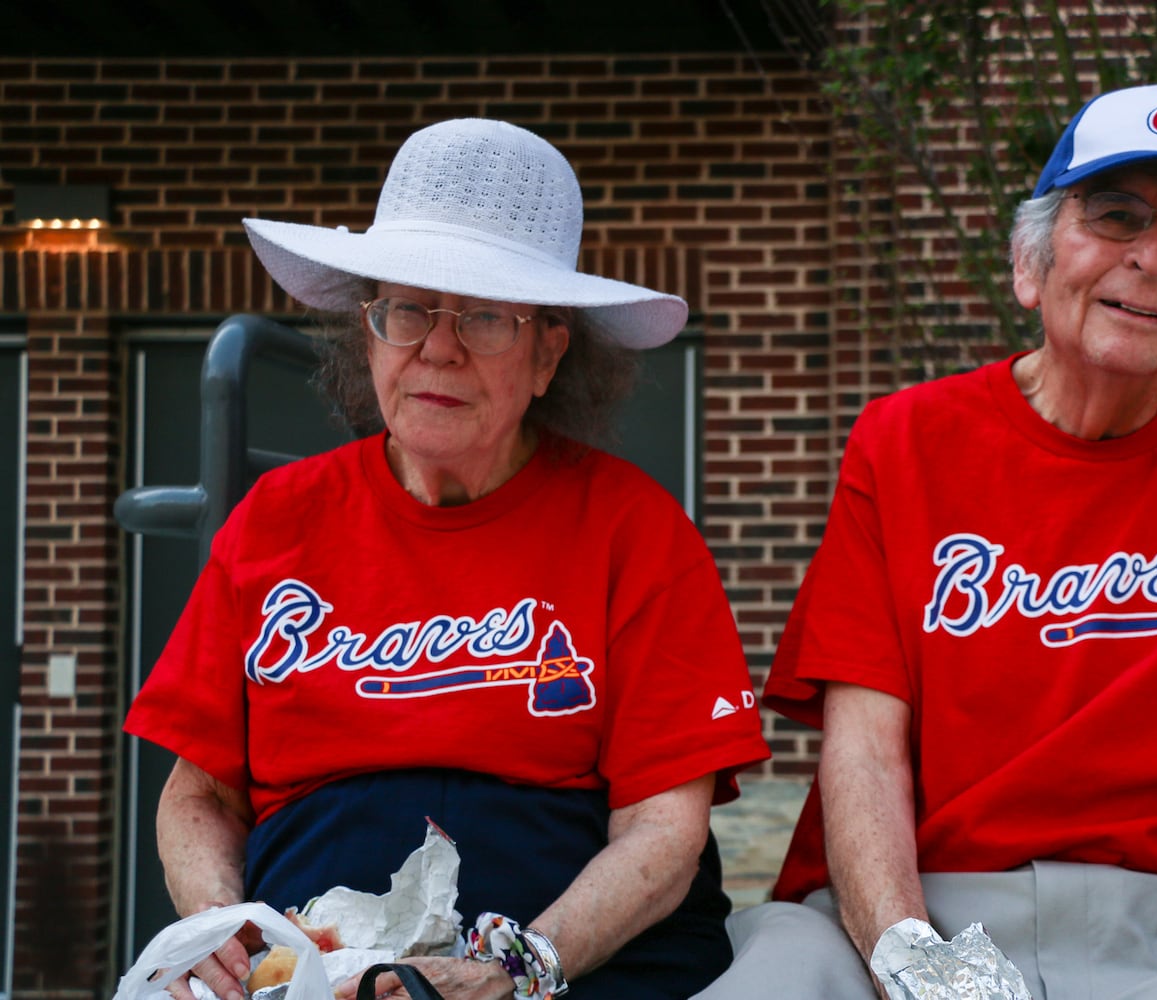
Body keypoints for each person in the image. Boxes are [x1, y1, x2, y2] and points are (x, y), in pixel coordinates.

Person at [694, 83, 1157, 1000]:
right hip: (908, 908)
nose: (1154, 257)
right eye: (1115, 214)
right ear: (1031, 263)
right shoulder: (904, 442)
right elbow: (862, 749)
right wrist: (909, 952)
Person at [124, 118, 770, 1000]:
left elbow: (665, 832)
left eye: (486, 319)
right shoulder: (277, 520)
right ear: (370, 330)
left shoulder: (635, 528)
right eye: (406, 310)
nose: (437, 346)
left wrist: (515, 969)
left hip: (573, 968)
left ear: (550, 352)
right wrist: (223, 931)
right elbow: (195, 795)